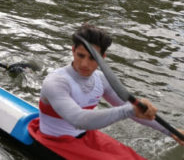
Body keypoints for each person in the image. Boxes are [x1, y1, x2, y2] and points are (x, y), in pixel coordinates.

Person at [28, 23, 184, 159]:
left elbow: (134, 112)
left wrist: (171, 132)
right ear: (73, 50)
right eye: (80, 55)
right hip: (54, 141)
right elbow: (78, 120)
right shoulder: (56, 82)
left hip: (88, 136)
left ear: (103, 57)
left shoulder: (101, 79)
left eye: (92, 58)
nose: (84, 64)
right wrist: (129, 110)